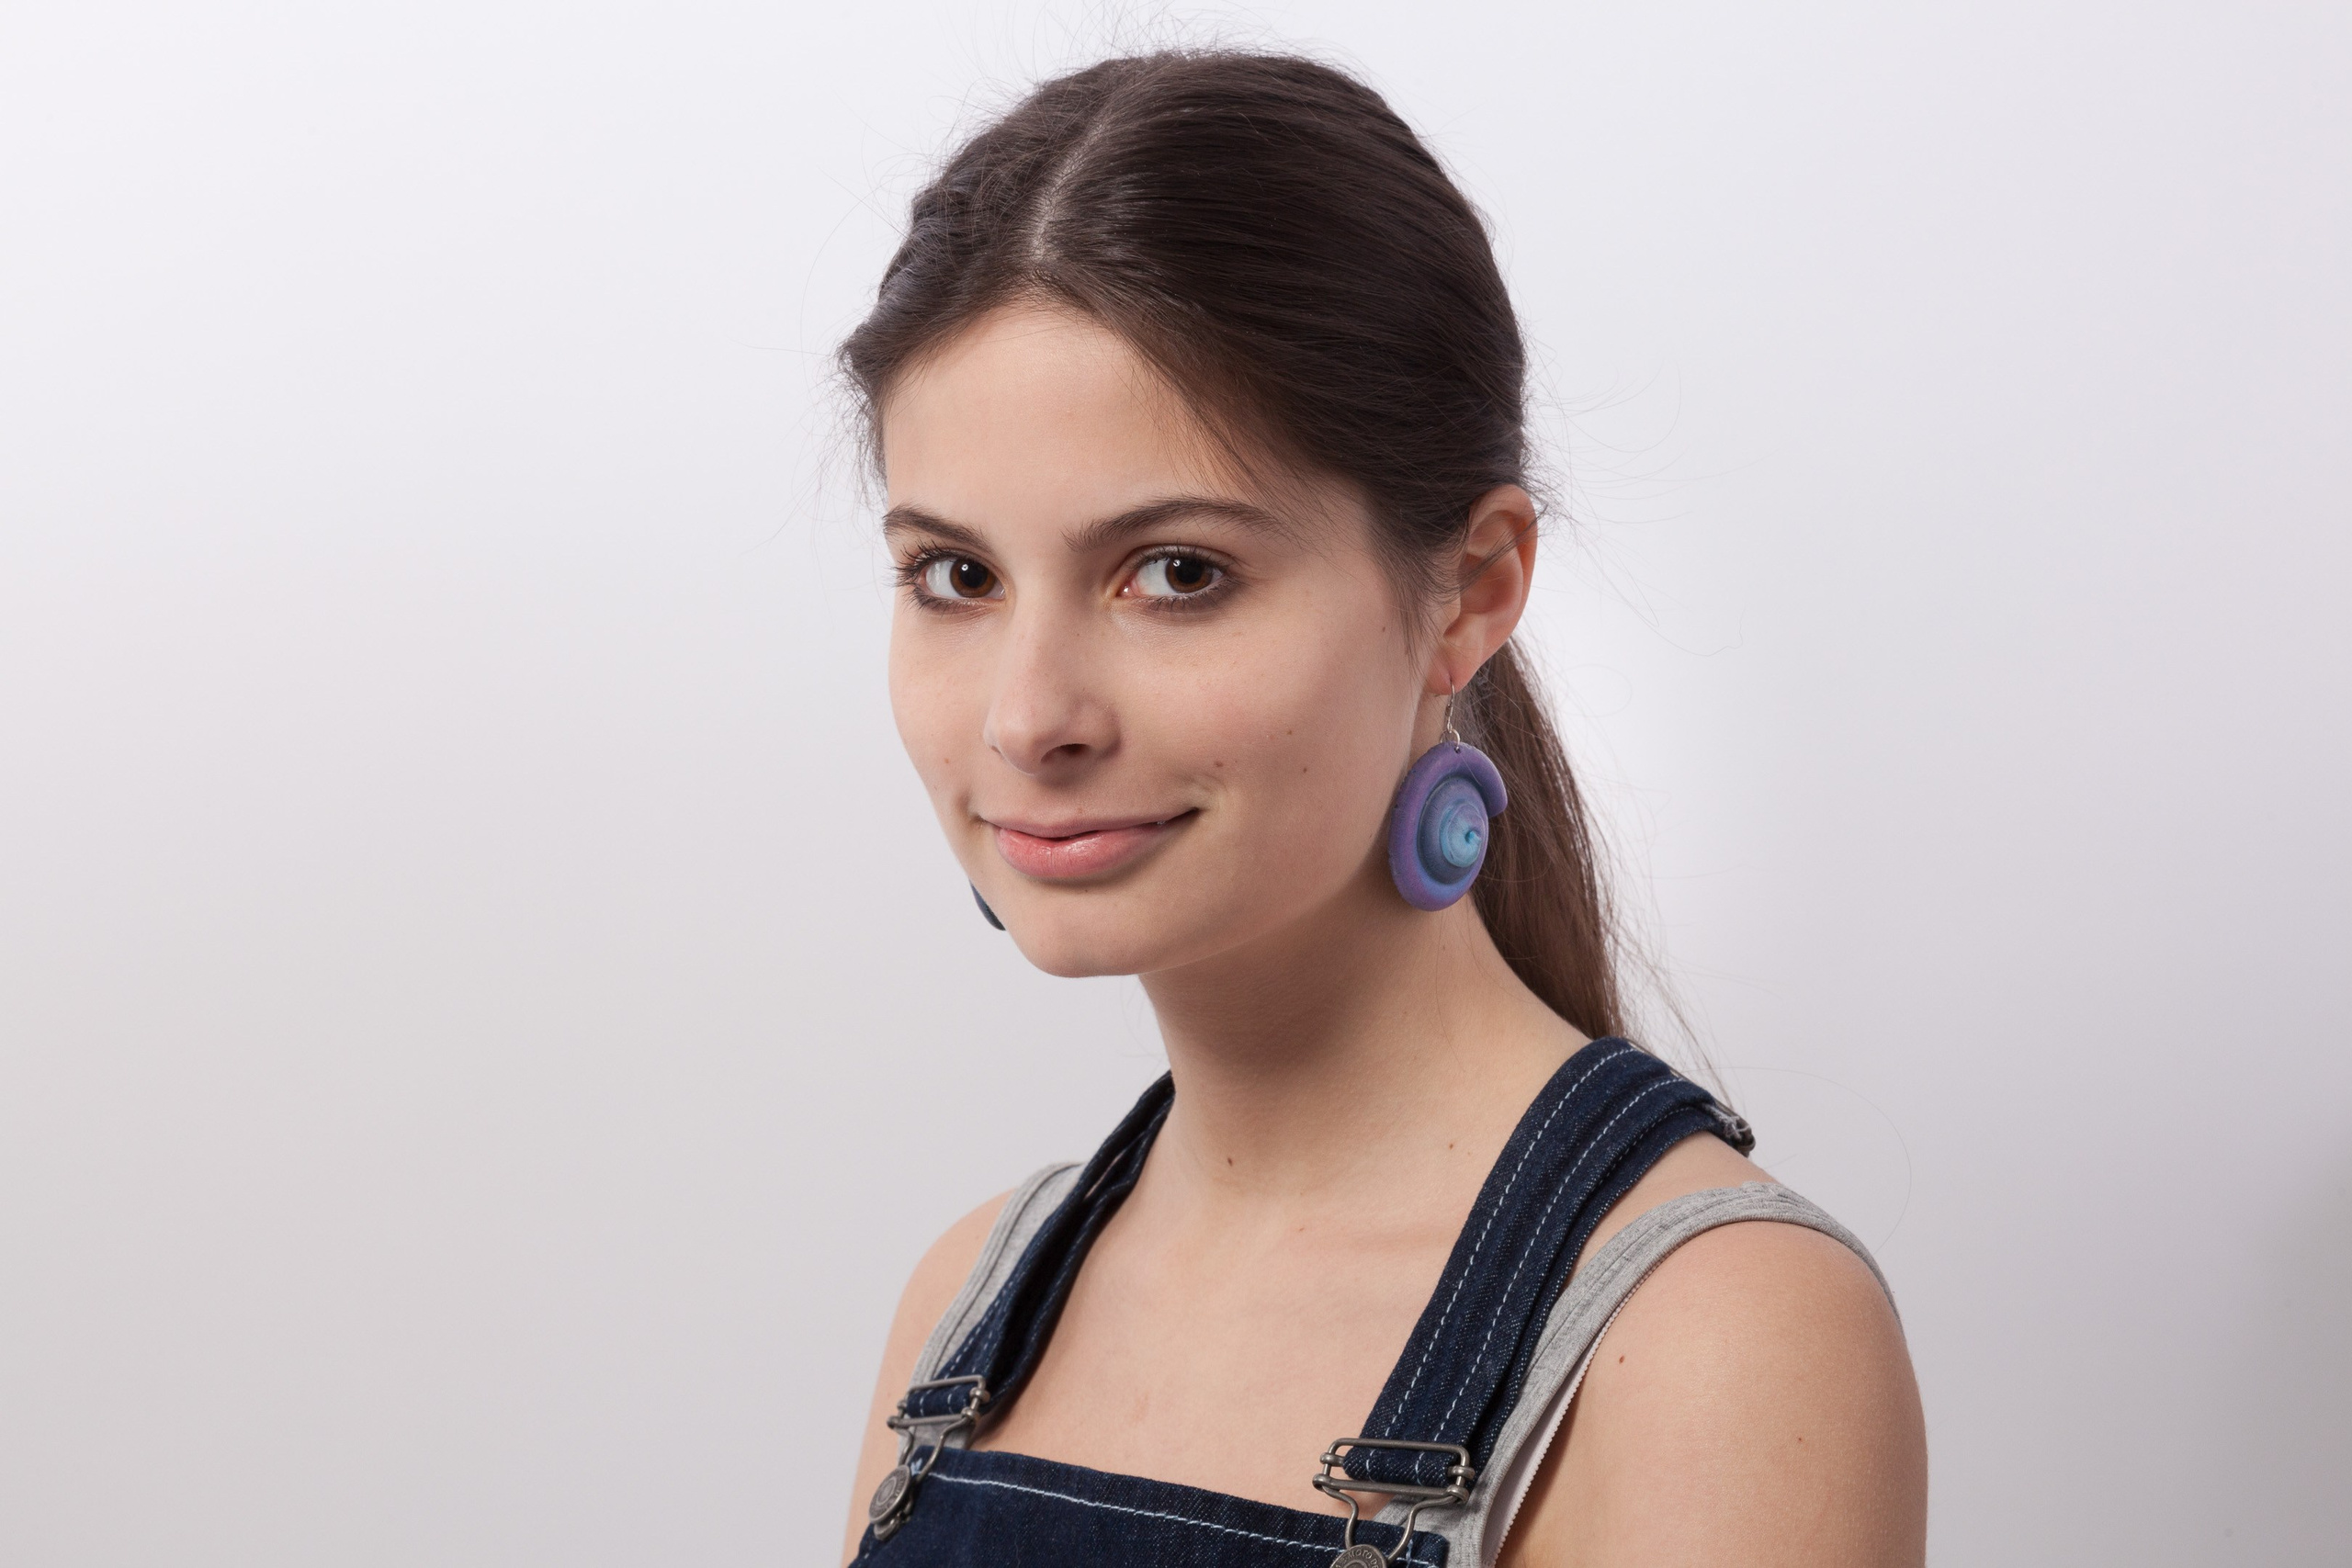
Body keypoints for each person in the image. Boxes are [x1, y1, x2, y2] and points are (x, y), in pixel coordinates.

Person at [835, 49, 1925, 1567]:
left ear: (1471, 592)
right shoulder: (969, 1307)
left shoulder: (1712, 1339)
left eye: (1177, 573)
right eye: (956, 576)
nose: (1030, 719)